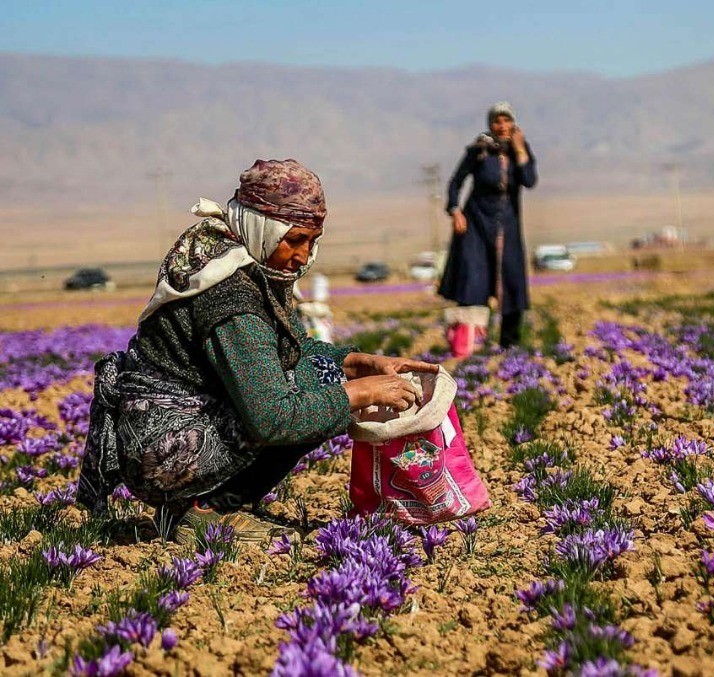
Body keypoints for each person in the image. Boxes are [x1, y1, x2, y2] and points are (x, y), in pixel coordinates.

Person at [75, 159, 437, 536]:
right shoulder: (231, 296)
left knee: (322, 380)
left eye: (312, 241)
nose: (302, 256)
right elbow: (272, 418)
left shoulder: (248, 262)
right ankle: (205, 509)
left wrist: (351, 363)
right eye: (294, 239)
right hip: (165, 449)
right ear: (262, 228)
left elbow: (287, 351)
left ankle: (209, 505)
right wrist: (357, 394)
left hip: (175, 428)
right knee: (314, 399)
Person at [438, 101, 538, 348]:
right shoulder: (479, 150)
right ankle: (468, 344)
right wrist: (455, 210)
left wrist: (520, 151)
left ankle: (509, 345)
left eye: (506, 121)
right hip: (476, 226)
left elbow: (529, 180)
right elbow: (455, 182)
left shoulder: (520, 151)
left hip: (508, 228)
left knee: (512, 283)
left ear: (513, 123)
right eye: (497, 121)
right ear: (490, 124)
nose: (502, 126)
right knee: (473, 282)